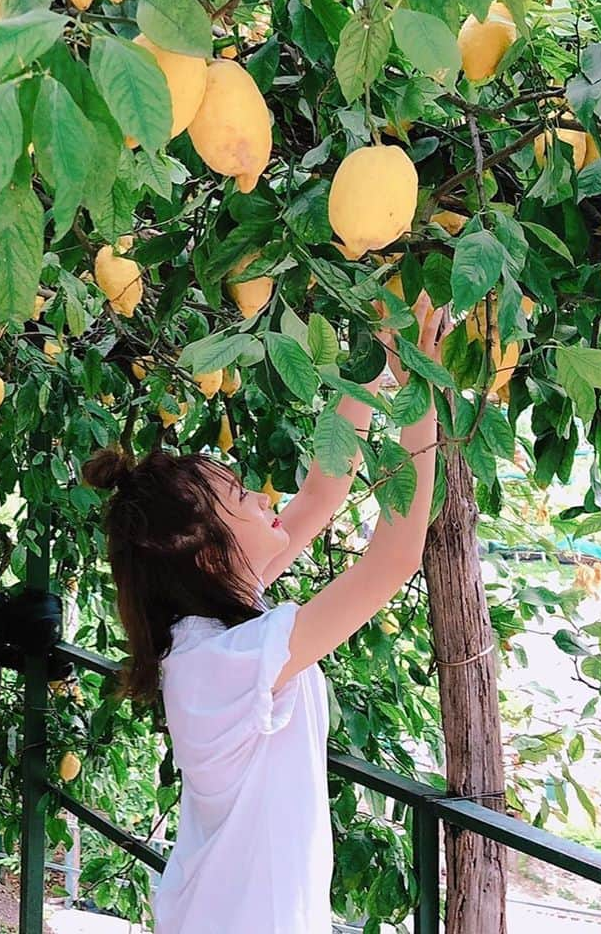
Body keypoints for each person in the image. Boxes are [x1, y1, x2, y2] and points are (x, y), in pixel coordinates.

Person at [80, 294, 446, 933]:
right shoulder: (221, 662)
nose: (262, 496)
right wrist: (422, 392)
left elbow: (323, 492)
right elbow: (394, 559)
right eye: (239, 496)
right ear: (198, 550)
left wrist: (374, 358)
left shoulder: (226, 621)